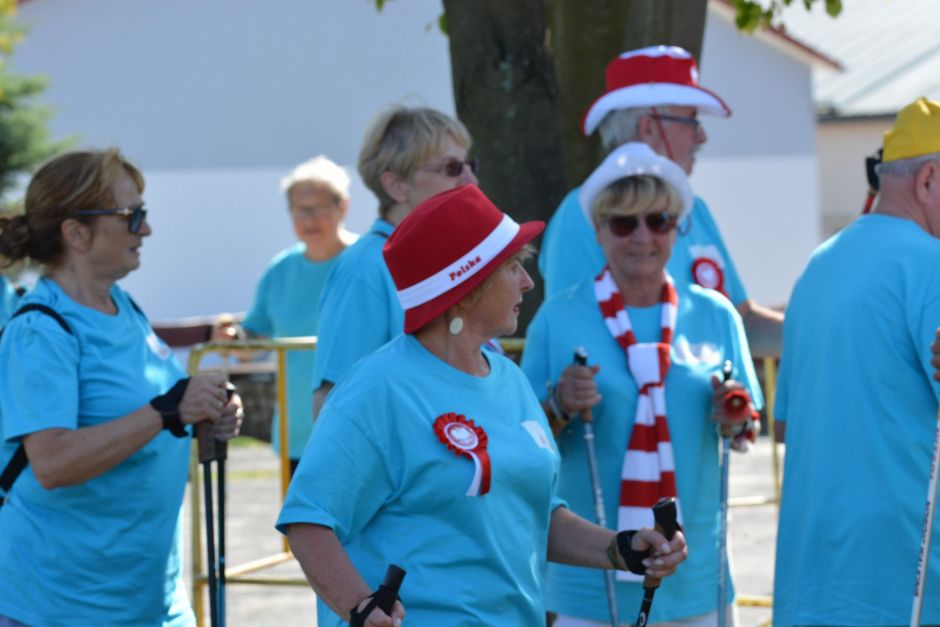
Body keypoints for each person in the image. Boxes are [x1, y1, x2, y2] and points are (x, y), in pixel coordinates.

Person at [278, 184, 688, 627]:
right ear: (467, 285)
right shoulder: (378, 388)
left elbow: (530, 513)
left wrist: (621, 548)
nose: (527, 282)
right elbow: (308, 521)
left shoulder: (508, 377)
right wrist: (360, 607)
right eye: (512, 266)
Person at [522, 142, 762, 626]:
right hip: (590, 587)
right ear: (598, 230)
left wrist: (733, 415)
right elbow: (524, 439)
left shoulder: (714, 313)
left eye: (659, 221)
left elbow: (745, 430)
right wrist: (560, 404)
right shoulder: (559, 315)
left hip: (698, 580)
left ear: (676, 228)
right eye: (623, 223)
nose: (643, 237)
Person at [0, 148, 242, 626]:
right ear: (76, 233)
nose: (145, 229)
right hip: (62, 607)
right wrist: (167, 412)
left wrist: (209, 410)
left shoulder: (124, 307)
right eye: (132, 215)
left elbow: (156, 407)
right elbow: (52, 462)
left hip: (152, 602)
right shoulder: (40, 331)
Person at [773, 98, 940, 625]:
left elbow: (784, 426)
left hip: (812, 585)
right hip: (904, 590)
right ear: (928, 180)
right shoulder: (931, 262)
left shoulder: (819, 263)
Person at [538, 45, 783, 357]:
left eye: (658, 222)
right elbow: (571, 329)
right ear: (648, 127)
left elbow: (739, 322)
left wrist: (820, 331)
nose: (702, 136)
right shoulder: (583, 212)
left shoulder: (695, 209)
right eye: (692, 120)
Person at [311, 105, 478, 419]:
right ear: (396, 185)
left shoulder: (441, 259)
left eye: (471, 165)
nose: (471, 181)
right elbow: (333, 404)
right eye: (453, 167)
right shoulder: (365, 267)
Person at [214, 155, 356, 471]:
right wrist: (233, 338)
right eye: (300, 209)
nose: (309, 219)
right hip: (298, 431)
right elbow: (254, 340)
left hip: (359, 427)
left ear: (343, 207)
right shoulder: (280, 270)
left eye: (318, 208)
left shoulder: (367, 261)